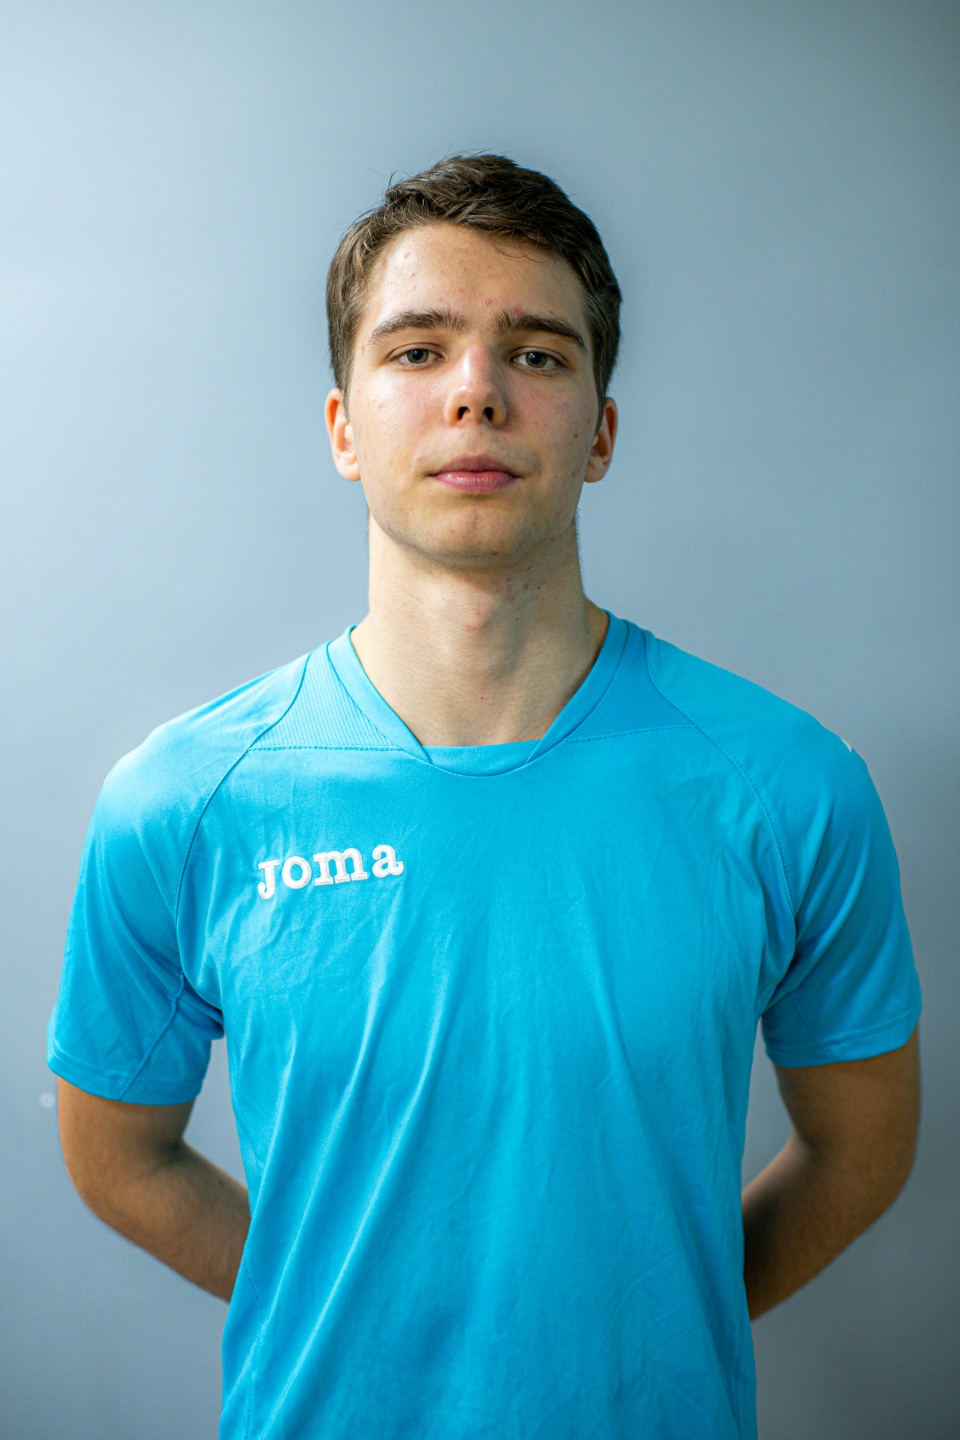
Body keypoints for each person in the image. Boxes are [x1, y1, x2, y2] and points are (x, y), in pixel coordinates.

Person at [48, 154, 922, 1440]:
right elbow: (115, 1154)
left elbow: (863, 1147)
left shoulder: (790, 787)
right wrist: (346, 1308)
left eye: (537, 354)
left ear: (601, 432)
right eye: (417, 351)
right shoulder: (182, 803)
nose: (477, 391)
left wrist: (651, 1322)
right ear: (344, 428)